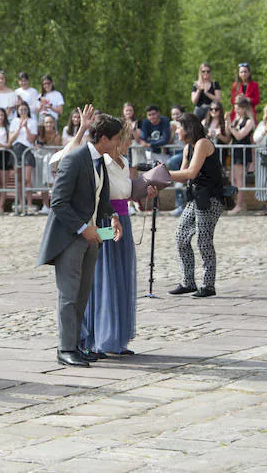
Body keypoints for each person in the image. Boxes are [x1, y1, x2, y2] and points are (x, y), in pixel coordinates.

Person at [37, 113, 123, 367]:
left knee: (83, 294)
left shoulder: (100, 162)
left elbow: (101, 197)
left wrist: (113, 216)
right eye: (116, 139)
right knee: (69, 295)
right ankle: (65, 348)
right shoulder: (74, 159)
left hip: (92, 237)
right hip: (69, 238)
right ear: (104, 139)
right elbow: (59, 202)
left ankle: (75, 345)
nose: (119, 143)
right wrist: (83, 228)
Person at [81, 123, 152, 357]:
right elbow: (100, 194)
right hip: (106, 220)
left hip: (124, 219)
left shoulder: (123, 162)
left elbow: (127, 191)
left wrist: (145, 190)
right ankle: (99, 336)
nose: (130, 143)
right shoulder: (103, 162)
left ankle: (116, 336)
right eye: (126, 138)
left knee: (120, 274)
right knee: (104, 272)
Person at [168, 113, 224, 298]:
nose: (176, 131)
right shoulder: (187, 148)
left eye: (179, 128)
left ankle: (208, 285)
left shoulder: (202, 144)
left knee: (203, 240)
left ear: (188, 128)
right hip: (195, 198)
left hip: (210, 199)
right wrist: (159, 175)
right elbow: (183, 174)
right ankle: (188, 282)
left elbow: (191, 173)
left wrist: (163, 173)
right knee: (181, 236)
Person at [226, 96, 255, 214]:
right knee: (232, 177)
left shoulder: (249, 121)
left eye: (238, 108)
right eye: (235, 108)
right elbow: (230, 134)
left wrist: (231, 126)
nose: (236, 111)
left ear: (244, 108)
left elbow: (239, 136)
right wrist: (228, 122)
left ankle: (239, 205)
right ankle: (241, 203)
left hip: (242, 151)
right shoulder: (236, 120)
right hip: (235, 150)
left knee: (239, 179)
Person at [9, 101, 38, 214]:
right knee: (19, 179)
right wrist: (19, 128)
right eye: (21, 110)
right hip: (17, 150)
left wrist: (26, 128)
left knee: (27, 179)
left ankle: (30, 204)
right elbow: (11, 140)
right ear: (17, 111)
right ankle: (21, 204)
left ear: (28, 110)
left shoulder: (32, 122)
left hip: (27, 150)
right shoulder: (14, 121)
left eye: (25, 110)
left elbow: (32, 139)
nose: (23, 112)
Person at [35, 114, 62, 215]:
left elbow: (57, 150)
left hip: (53, 161)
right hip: (42, 160)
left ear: (54, 123)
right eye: (46, 122)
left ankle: (54, 205)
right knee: (44, 184)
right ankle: (45, 205)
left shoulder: (57, 135)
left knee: (54, 183)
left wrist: (55, 166)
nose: (48, 124)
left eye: (50, 122)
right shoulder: (40, 134)